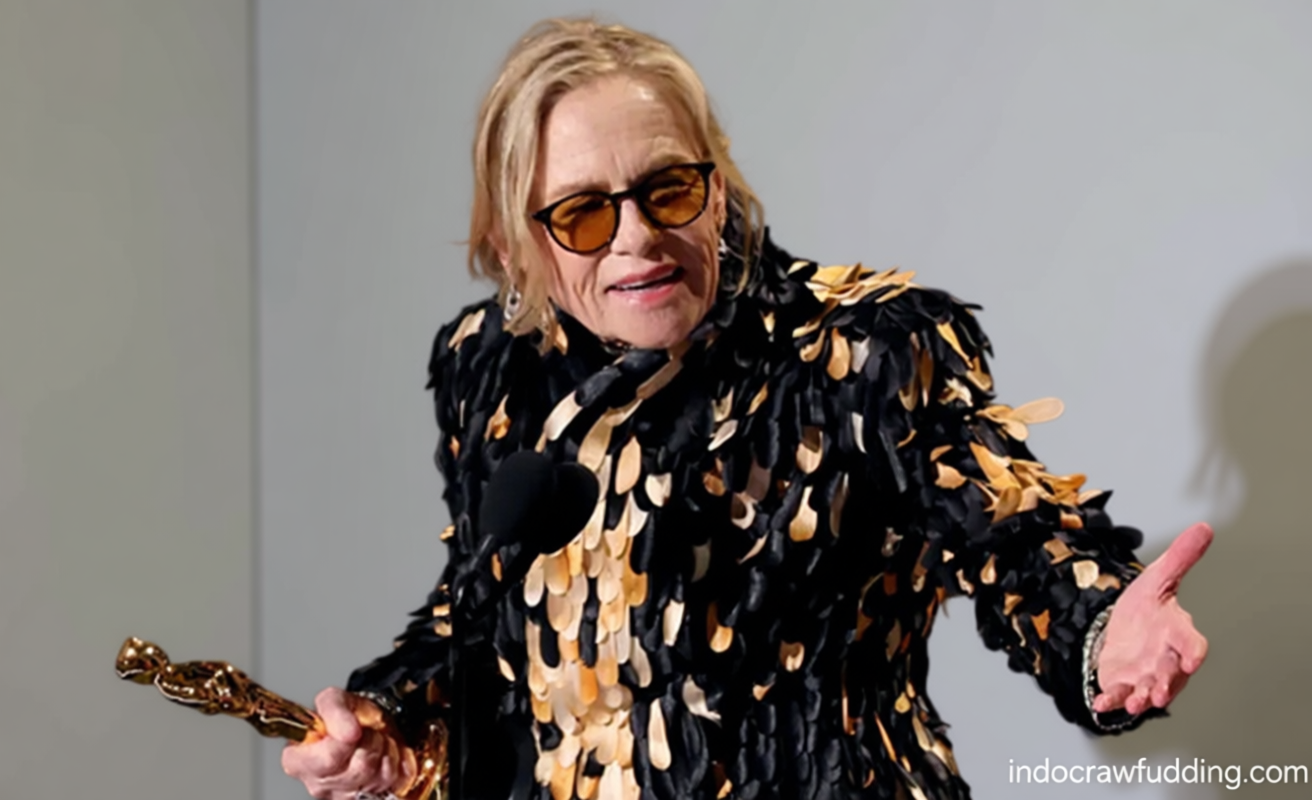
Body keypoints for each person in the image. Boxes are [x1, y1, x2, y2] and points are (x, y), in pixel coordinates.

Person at [281, 16, 1211, 800]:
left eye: (668, 190)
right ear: (514, 237)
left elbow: (1013, 540)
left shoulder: (865, 352)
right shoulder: (489, 367)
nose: (639, 238)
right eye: (583, 214)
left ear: (716, 185)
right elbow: (482, 608)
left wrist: (1100, 632)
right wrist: (383, 718)